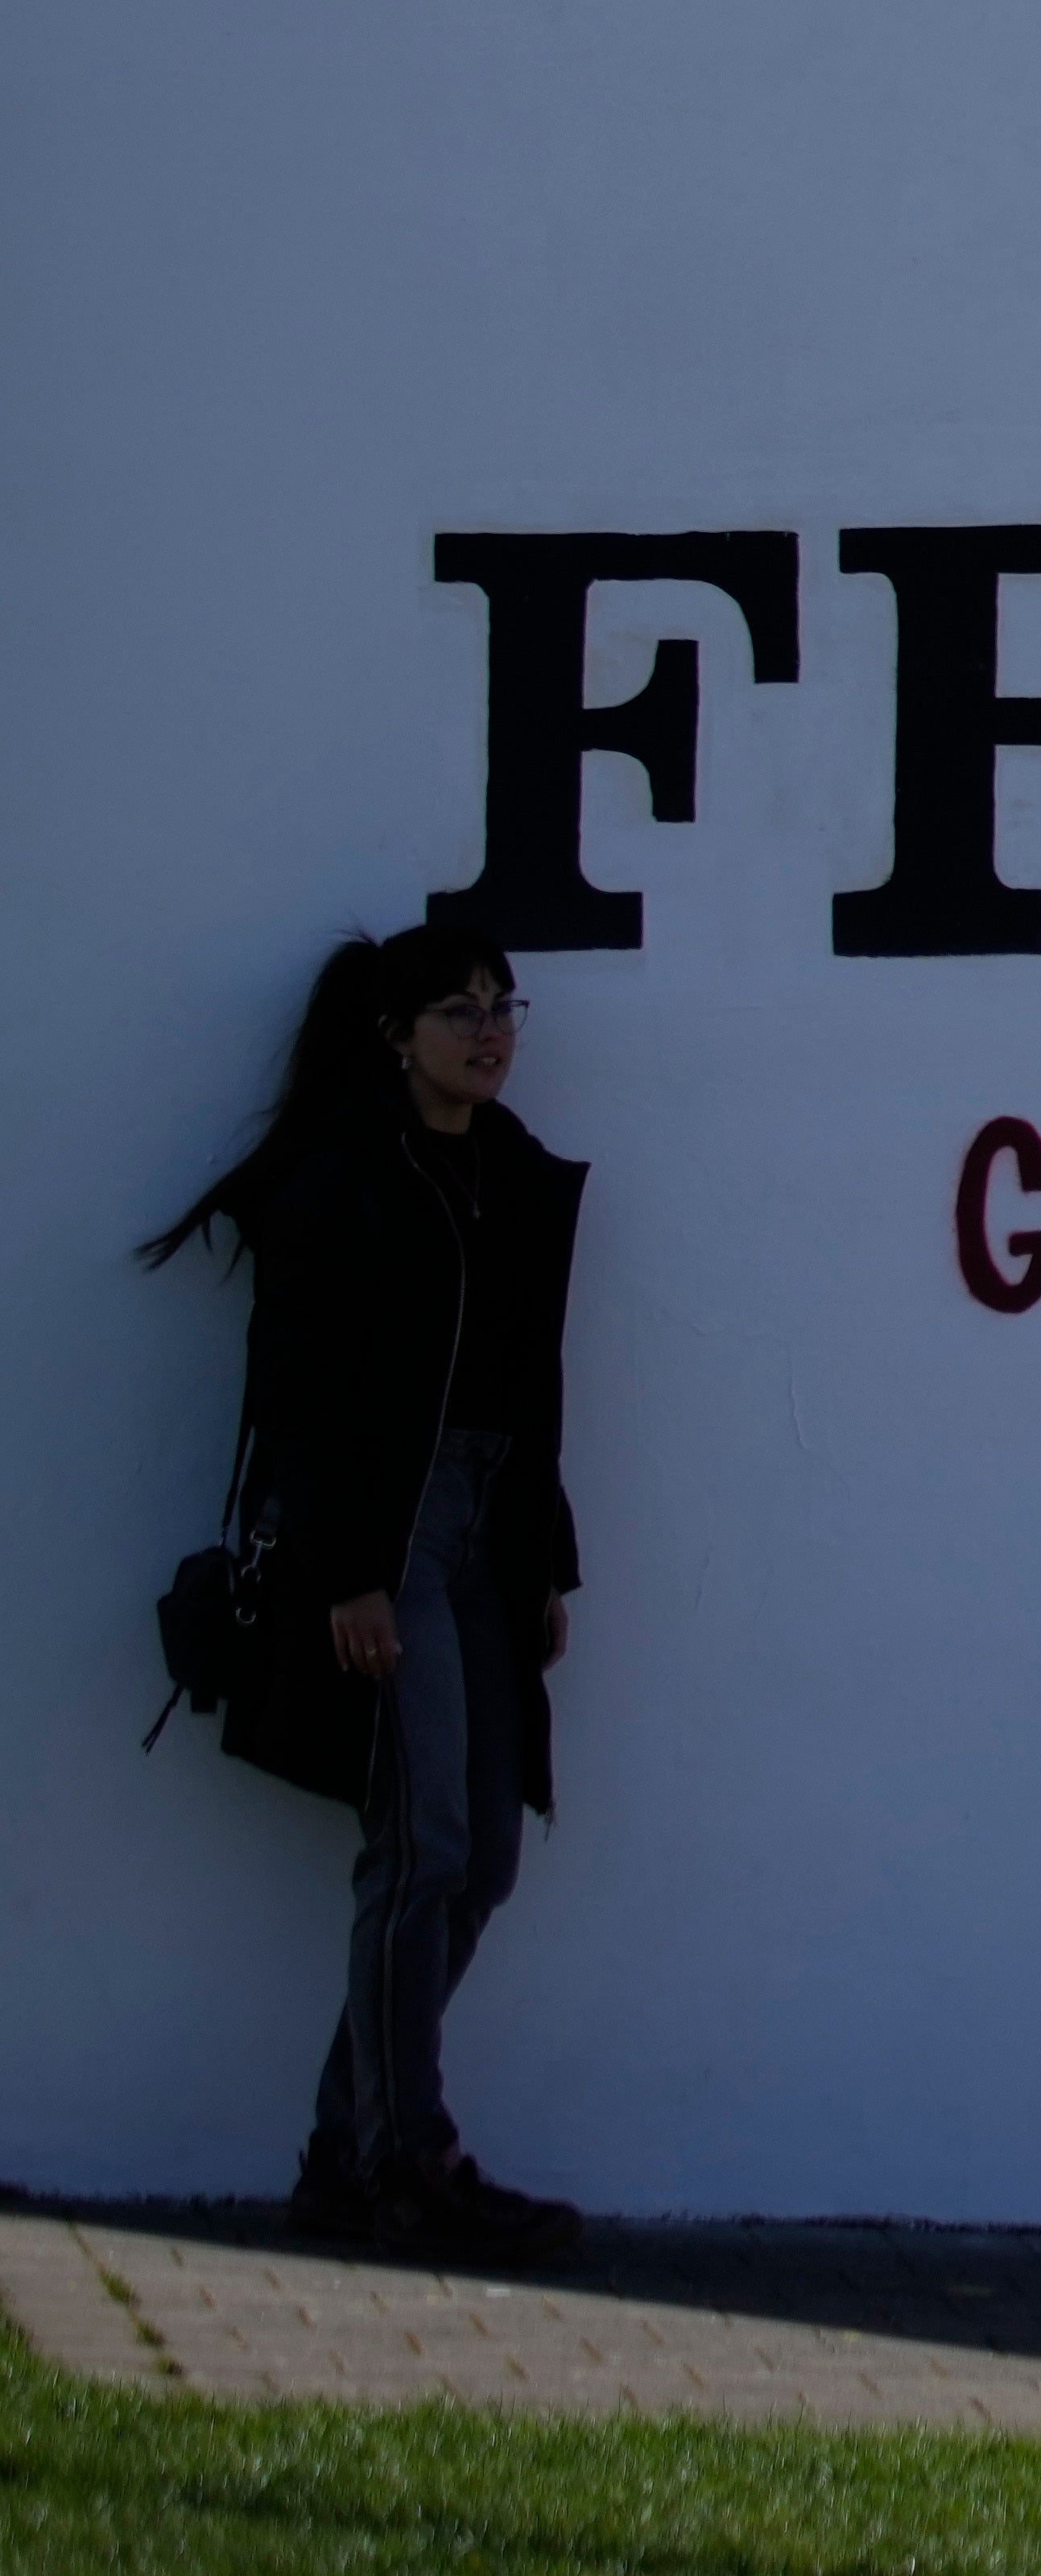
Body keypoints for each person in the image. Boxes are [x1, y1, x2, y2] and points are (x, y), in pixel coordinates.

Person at [139, 926, 591, 2256]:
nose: (491, 1030)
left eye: (505, 1006)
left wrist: (546, 1565)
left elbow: (528, 1395)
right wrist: (348, 1578)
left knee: (486, 1857)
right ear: (398, 1034)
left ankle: (353, 2150)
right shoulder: (347, 1181)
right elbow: (302, 1396)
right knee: (420, 1849)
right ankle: (407, 2157)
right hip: (385, 1545)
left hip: (486, 1534)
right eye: (460, 1011)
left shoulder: (506, 1175)